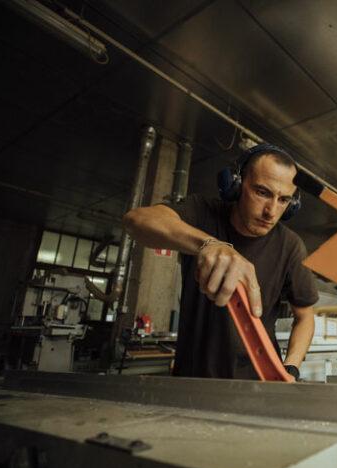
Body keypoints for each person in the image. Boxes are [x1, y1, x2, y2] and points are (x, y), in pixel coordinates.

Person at [123, 143, 318, 380]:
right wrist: (208, 244)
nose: (271, 212)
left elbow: (305, 317)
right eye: (262, 192)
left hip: (259, 382)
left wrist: (291, 368)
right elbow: (136, 220)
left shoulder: (291, 246)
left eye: (284, 200)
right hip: (191, 378)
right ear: (235, 184)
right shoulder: (202, 214)